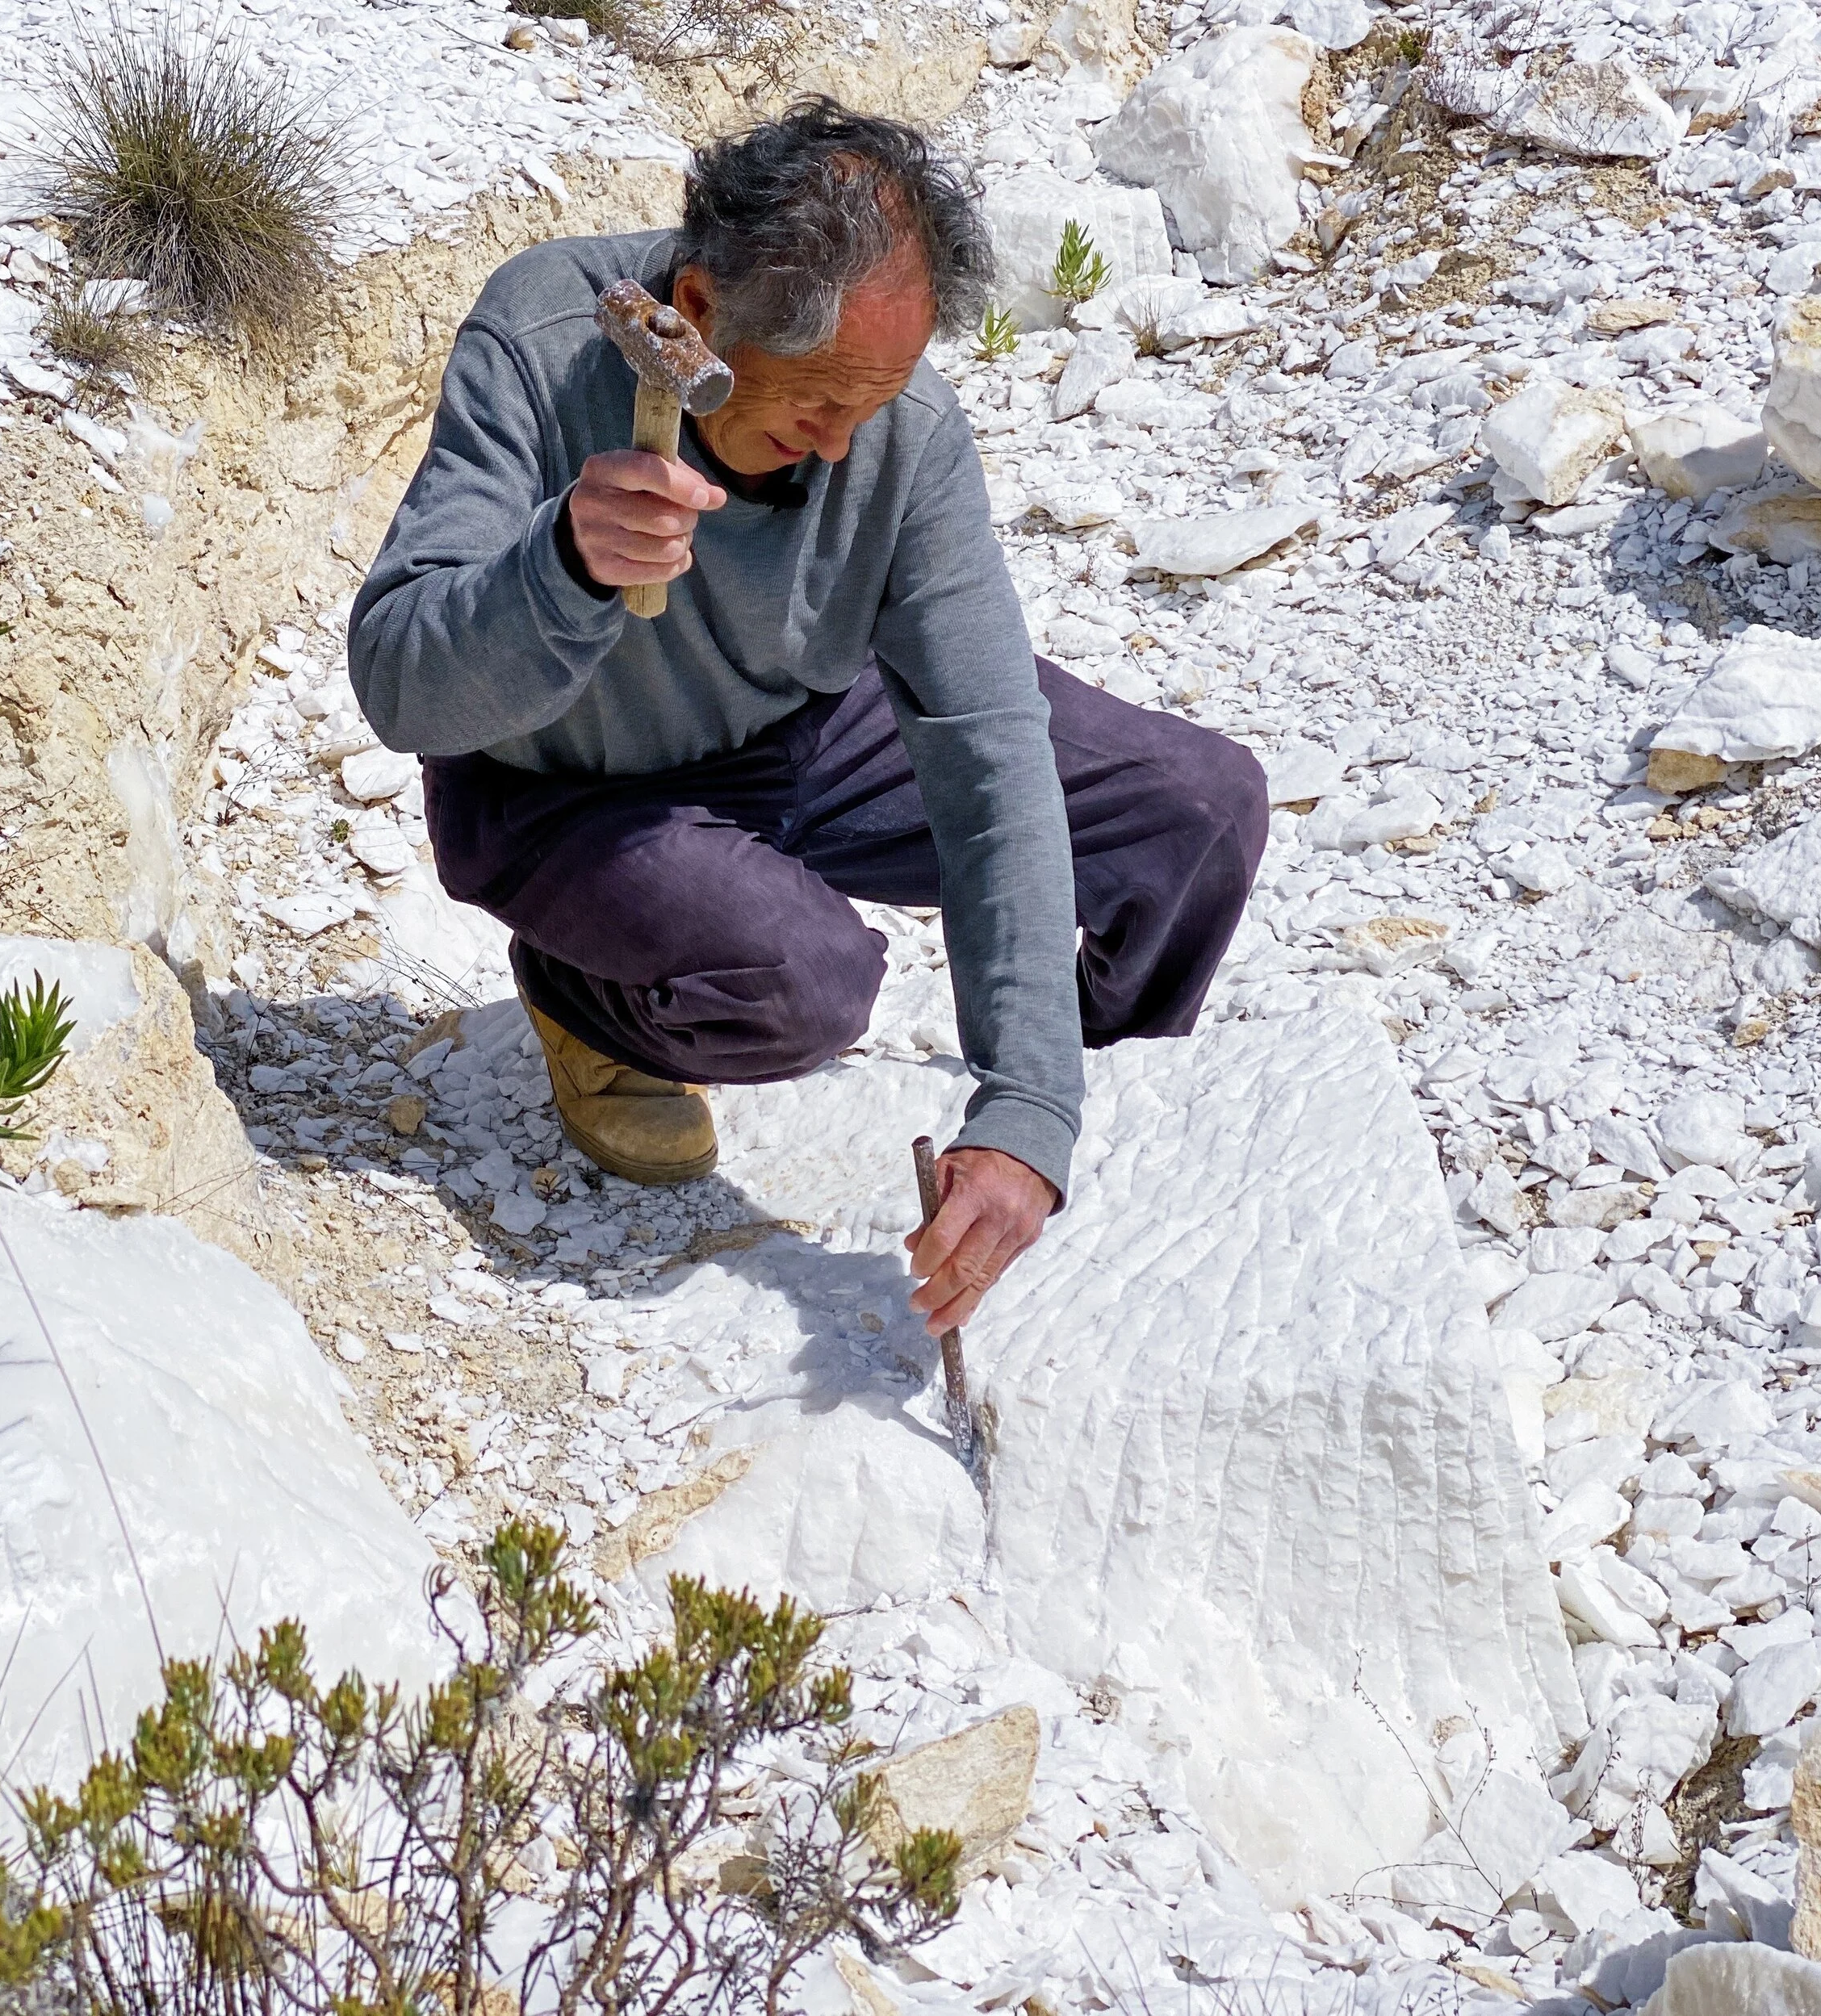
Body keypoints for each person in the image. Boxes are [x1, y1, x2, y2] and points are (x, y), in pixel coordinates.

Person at [348, 98, 1267, 1342]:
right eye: (814, 405)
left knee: (1196, 811)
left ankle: (1035, 1167)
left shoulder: (896, 428)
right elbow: (400, 685)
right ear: (702, 312)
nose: (845, 446)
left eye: (876, 400)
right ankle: (582, 995)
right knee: (807, 981)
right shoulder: (545, 336)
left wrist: (1027, 1106)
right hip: (563, 784)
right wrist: (558, 566)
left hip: (801, 734)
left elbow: (990, 750)